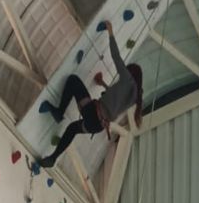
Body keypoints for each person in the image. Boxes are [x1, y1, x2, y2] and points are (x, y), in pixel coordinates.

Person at [38, 21, 143, 168]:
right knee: (72, 129)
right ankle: (53, 158)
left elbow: (116, 57)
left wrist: (111, 32)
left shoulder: (128, 79)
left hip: (94, 112)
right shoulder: (133, 98)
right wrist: (103, 84)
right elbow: (115, 100)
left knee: (73, 81)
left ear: (131, 72)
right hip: (98, 125)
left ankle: (59, 111)